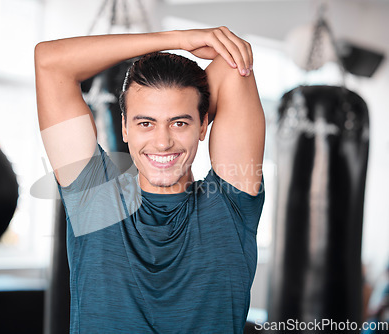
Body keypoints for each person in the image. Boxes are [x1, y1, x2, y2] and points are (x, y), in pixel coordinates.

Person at [34, 26, 266, 333]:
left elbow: (232, 65)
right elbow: (49, 62)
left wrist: (181, 87)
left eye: (179, 122)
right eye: (146, 122)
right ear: (125, 128)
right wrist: (179, 40)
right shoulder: (95, 197)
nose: (162, 142)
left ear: (202, 125)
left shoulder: (229, 205)